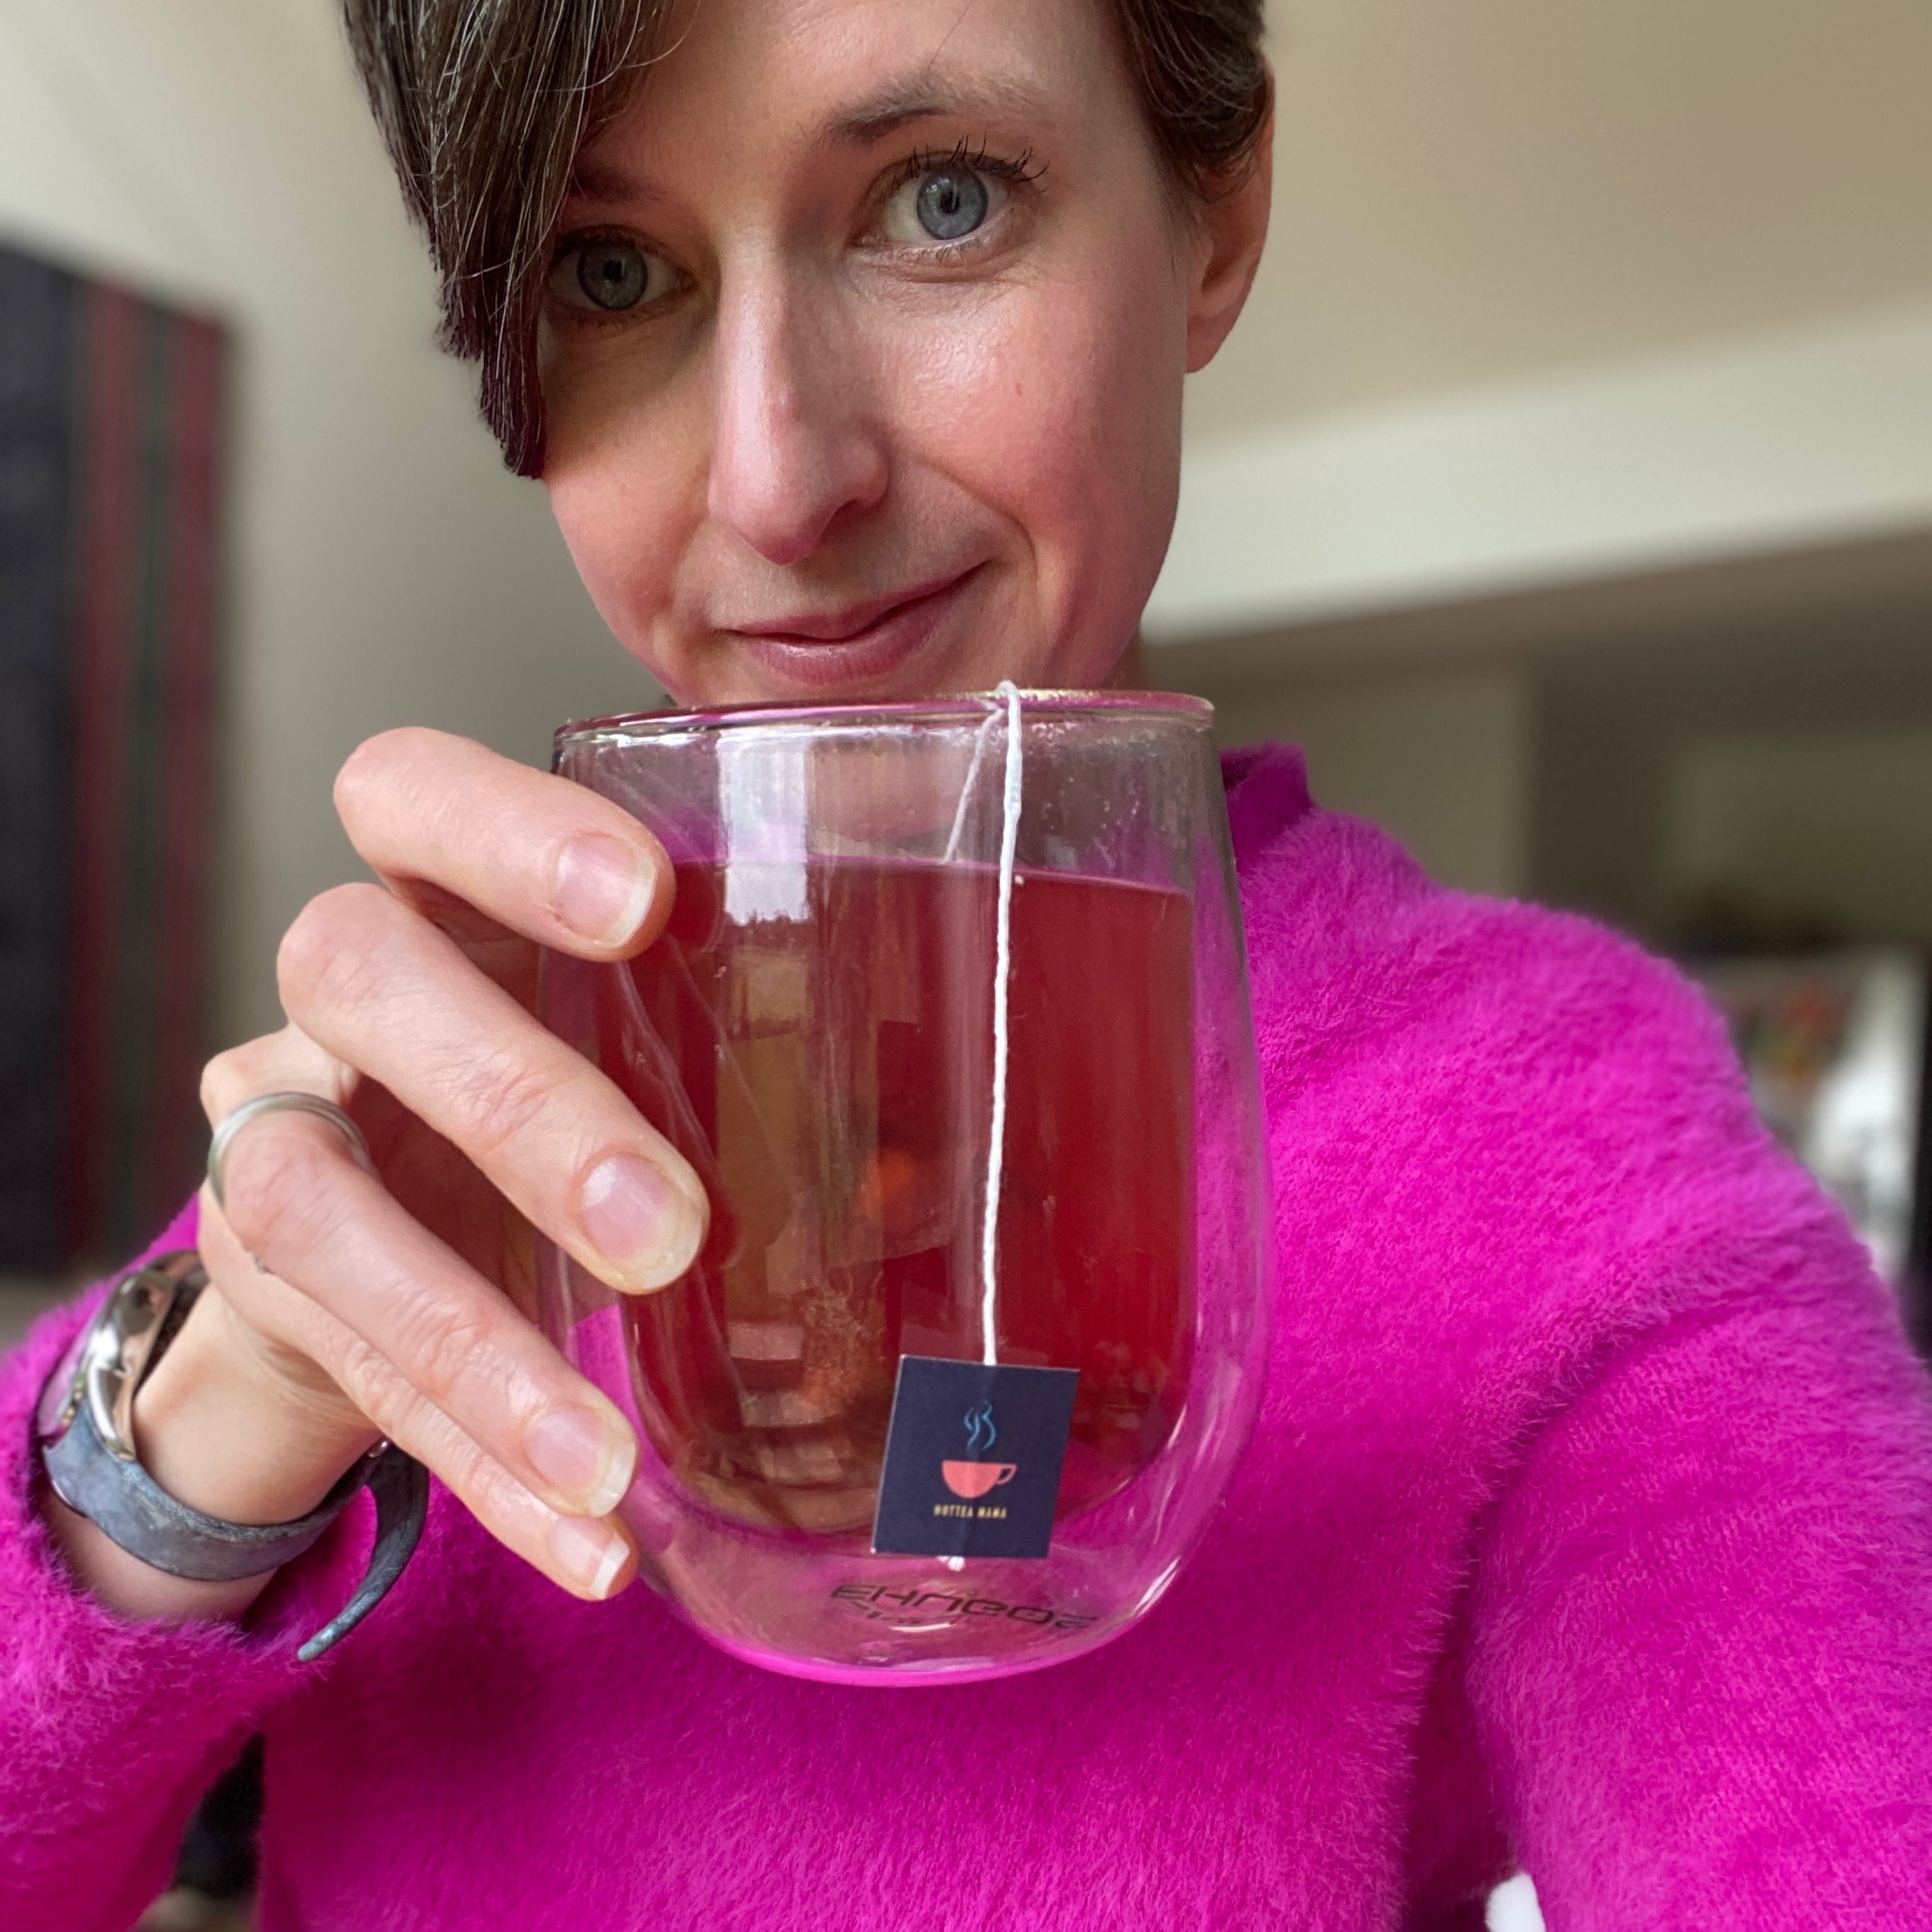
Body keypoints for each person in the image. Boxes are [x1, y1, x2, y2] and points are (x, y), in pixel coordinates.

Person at [3, 0, 1929, 1924]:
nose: (774, 478)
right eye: (611, 270)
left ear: (1217, 211)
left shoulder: (1566, 1129)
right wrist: (201, 1423)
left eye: (941, 198)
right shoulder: (463, 1069)